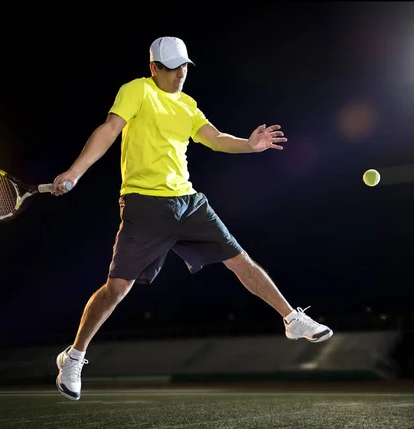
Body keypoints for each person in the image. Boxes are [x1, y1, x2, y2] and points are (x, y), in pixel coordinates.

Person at [50, 36, 333, 401]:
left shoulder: (188, 105)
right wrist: (74, 172)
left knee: (241, 261)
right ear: (154, 68)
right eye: (172, 67)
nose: (180, 73)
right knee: (117, 288)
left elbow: (214, 138)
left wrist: (249, 145)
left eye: (184, 65)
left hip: (188, 202)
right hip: (144, 205)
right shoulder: (137, 91)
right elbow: (108, 131)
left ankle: (292, 320)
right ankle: (73, 358)